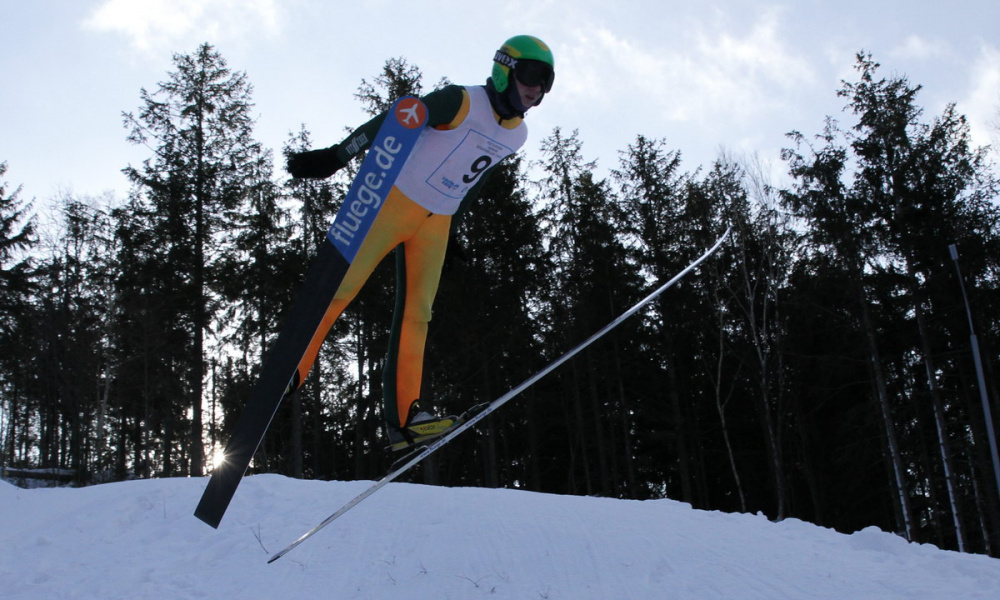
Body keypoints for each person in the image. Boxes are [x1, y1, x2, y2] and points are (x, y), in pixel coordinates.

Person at [285, 35, 555, 451]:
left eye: (546, 81)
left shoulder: (517, 135)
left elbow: (475, 180)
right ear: (505, 68)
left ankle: (405, 419)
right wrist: (337, 156)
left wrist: (455, 228)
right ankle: (291, 370)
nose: (537, 88)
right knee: (342, 287)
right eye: (532, 74)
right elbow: (399, 119)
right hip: (394, 203)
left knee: (418, 315)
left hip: (437, 223)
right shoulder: (460, 101)